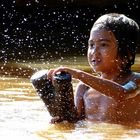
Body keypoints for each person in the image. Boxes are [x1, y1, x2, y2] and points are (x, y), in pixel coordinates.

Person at [31, 13, 140, 124]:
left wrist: (79, 75)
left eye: (103, 45)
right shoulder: (84, 88)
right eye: (91, 45)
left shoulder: (136, 80)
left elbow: (122, 93)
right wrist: (62, 119)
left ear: (127, 54)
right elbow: (76, 122)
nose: (94, 52)